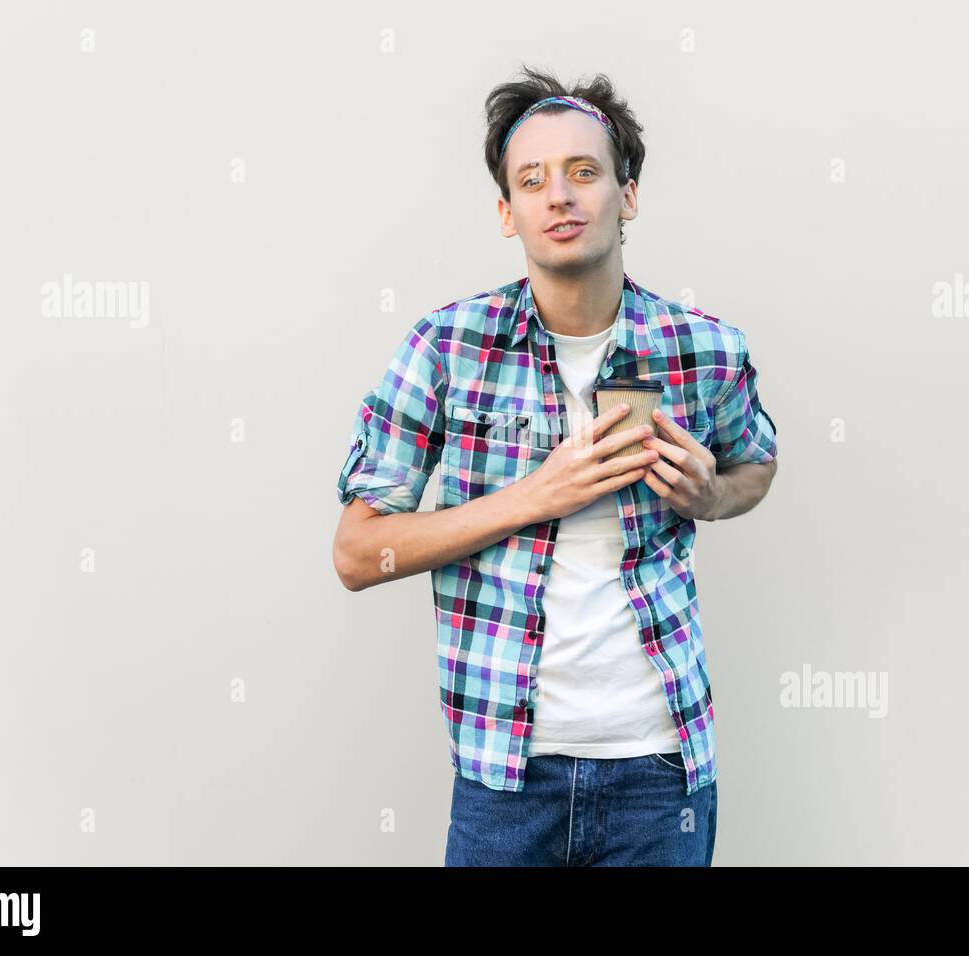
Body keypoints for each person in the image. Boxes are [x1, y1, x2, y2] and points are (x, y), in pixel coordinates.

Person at [333, 66, 778, 866]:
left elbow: (758, 465)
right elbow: (357, 553)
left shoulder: (704, 348)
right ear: (507, 212)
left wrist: (711, 495)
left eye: (583, 172)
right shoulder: (448, 348)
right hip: (505, 780)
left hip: (662, 772)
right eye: (531, 180)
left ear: (627, 194)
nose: (559, 196)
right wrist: (531, 497)